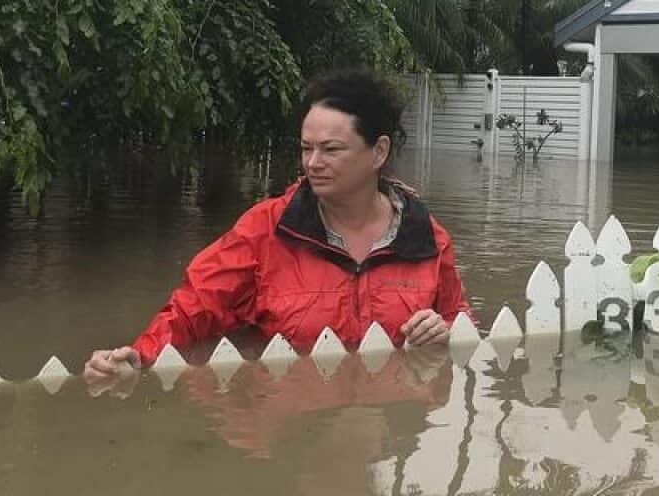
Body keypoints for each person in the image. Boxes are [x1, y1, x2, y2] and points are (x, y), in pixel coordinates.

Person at [84, 70, 473, 383]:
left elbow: (464, 324)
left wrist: (445, 331)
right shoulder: (265, 230)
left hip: (386, 428)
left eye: (331, 149)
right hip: (291, 425)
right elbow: (193, 308)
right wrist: (141, 355)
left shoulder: (427, 238)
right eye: (306, 148)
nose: (312, 163)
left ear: (379, 152)